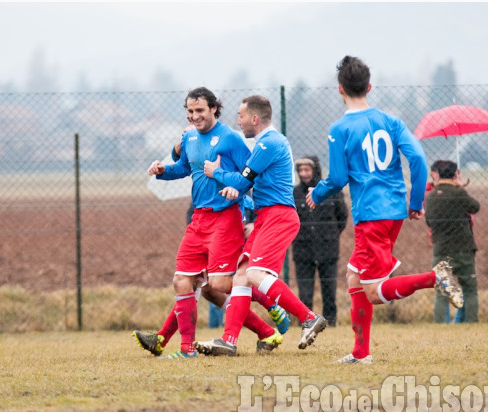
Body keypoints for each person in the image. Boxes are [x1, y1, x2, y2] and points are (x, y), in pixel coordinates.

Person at [305, 55, 464, 365]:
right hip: (394, 211)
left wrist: (317, 193)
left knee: (374, 291)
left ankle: (435, 277)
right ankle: (360, 353)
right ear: (369, 86)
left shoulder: (339, 128)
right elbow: (417, 159)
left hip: (371, 215)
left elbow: (337, 178)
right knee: (354, 278)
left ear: (340, 89)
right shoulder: (392, 121)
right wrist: (415, 201)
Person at [144, 87, 284, 358]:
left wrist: (247, 208)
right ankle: (187, 350)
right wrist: (163, 170)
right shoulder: (189, 139)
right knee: (182, 280)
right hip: (199, 220)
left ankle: (267, 296)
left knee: (218, 285)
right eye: (190, 111)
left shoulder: (230, 139)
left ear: (213, 110)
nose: (194, 116)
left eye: (200, 110)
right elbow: (185, 168)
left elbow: (251, 176)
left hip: (226, 219)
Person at [193, 95, 328, 356]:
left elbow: (244, 181)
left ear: (255, 118)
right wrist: (235, 189)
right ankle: (229, 341)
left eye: (241, 116)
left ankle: (309, 317)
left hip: (279, 216)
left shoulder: (270, 143)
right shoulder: (266, 143)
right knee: (242, 274)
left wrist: (216, 173)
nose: (238, 121)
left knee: (255, 274)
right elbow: (249, 184)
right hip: (266, 216)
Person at [292, 155, 348, 326]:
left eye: (307, 170)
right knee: (305, 292)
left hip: (328, 247)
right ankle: (307, 321)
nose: (303, 174)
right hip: (303, 249)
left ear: (315, 170)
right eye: (300, 170)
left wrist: (330, 234)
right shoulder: (294, 193)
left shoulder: (332, 191)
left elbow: (342, 216)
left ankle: (331, 322)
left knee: (329, 289)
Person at [425, 160, 480, 323]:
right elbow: (475, 207)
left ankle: (441, 325)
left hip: (441, 250)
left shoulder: (431, 197)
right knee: (469, 289)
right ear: (456, 174)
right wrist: (461, 187)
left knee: (442, 292)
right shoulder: (459, 193)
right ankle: (471, 323)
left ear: (436, 175)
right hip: (464, 249)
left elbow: (429, 222)